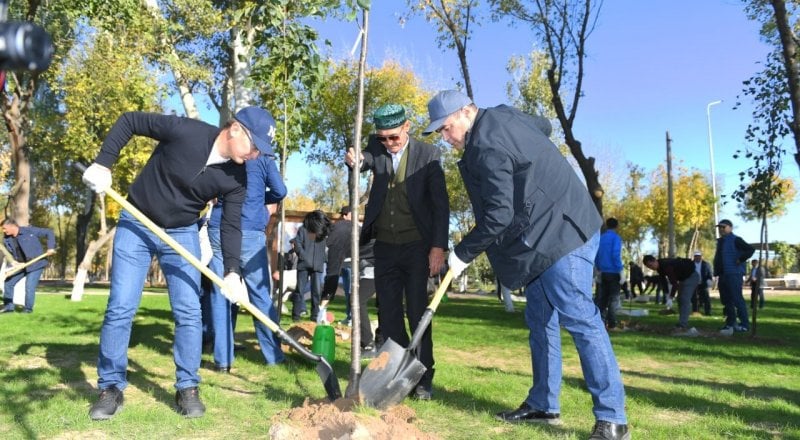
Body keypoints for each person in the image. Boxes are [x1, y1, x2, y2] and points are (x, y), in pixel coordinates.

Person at [424, 89, 628, 439]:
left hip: (562, 233)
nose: (444, 138)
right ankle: (543, 404)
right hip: (541, 235)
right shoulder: (504, 114)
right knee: (540, 320)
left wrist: (461, 254)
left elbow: (498, 214)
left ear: (465, 113)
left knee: (580, 319)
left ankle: (613, 419)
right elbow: (545, 126)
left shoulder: (486, 146)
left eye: (444, 128)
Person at [81, 106, 271, 420]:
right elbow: (130, 120)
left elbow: (231, 225)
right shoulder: (187, 131)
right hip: (136, 222)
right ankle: (110, 387)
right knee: (121, 306)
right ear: (236, 129)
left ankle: (187, 387)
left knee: (189, 310)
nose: (256, 155)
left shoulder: (237, 178)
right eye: (256, 146)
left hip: (182, 233)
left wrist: (233, 271)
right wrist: (104, 163)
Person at [345, 103, 449, 400]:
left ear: (407, 127)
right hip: (386, 246)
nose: (388, 143)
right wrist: (355, 159)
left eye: (393, 137)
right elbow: (364, 159)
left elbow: (441, 206)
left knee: (418, 312)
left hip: (418, 246)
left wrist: (437, 247)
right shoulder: (376, 148)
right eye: (382, 138)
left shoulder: (428, 155)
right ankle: (399, 372)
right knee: (389, 315)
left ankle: (425, 376)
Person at [206, 126, 287, 372]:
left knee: (222, 292)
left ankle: (223, 359)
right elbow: (280, 191)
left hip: (219, 227)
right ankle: (273, 357)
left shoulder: (227, 153)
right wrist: (259, 204)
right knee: (260, 295)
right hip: (250, 231)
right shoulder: (263, 159)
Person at [0, 218, 56, 314]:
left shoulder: (29, 230)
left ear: (12, 226)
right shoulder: (6, 238)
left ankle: (28, 310)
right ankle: (9, 308)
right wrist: (13, 262)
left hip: (36, 263)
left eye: (5, 228)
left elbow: (49, 232)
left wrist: (50, 247)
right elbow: (7, 252)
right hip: (21, 265)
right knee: (8, 283)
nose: (4, 231)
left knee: (29, 286)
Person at [713, 219, 755, 333]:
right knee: (726, 300)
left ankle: (744, 324)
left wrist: (740, 259)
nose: (721, 229)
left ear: (730, 228)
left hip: (734, 274)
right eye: (720, 227)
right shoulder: (721, 241)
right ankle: (730, 323)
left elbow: (751, 249)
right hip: (723, 275)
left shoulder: (736, 239)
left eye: (723, 227)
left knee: (737, 299)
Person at [642, 255, 700, 334]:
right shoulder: (660, 267)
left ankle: (683, 324)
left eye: (651, 265)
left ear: (655, 260)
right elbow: (663, 281)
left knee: (684, 299)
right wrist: (666, 294)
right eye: (649, 267)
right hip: (683, 278)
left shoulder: (666, 265)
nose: (651, 268)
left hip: (692, 276)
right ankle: (681, 322)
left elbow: (675, 284)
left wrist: (671, 297)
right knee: (680, 299)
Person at [290, 210, 330, 322]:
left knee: (316, 291)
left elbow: (329, 245)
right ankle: (296, 315)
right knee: (300, 290)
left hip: (317, 265)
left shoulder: (323, 231)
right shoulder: (303, 230)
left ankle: (315, 315)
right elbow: (297, 243)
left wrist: (324, 258)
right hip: (304, 264)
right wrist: (303, 255)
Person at [319, 206, 354, 325]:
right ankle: (350, 318)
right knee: (350, 290)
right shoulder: (354, 227)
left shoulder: (335, 226)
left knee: (340, 288)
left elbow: (328, 242)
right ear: (346, 215)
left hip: (338, 262)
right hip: (350, 262)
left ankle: (321, 314)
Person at [594, 218, 623, 329]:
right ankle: (612, 323)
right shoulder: (616, 238)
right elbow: (615, 254)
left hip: (602, 272)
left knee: (602, 299)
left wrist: (599, 268)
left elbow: (596, 255)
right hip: (613, 272)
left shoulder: (600, 238)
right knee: (614, 298)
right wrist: (620, 269)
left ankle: (600, 322)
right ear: (617, 226)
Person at [692, 251, 713, 315]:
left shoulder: (706, 264)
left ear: (701, 257)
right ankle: (695, 311)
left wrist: (709, 280)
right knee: (694, 298)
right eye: (696, 256)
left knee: (706, 298)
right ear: (694, 257)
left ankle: (708, 311)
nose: (697, 257)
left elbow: (709, 273)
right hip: (694, 283)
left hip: (703, 283)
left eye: (698, 256)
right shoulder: (691, 264)